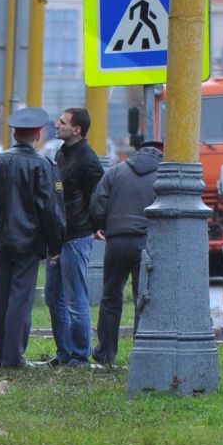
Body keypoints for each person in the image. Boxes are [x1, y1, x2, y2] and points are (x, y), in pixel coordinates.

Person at [0, 108, 66, 370]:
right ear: (37, 134)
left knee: (1, 297)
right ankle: (13, 358)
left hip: (0, 239)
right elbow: (50, 210)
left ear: (14, 133)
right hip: (29, 240)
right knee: (20, 299)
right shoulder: (44, 166)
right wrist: (54, 245)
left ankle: (2, 356)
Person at [87, 139, 163, 366]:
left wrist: (101, 225)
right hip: (147, 243)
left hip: (117, 241)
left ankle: (105, 353)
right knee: (143, 299)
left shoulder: (116, 170)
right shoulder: (164, 174)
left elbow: (97, 202)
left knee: (111, 297)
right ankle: (141, 351)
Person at [45, 107, 104, 368]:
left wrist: (96, 225)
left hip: (76, 235)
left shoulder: (87, 159)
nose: (57, 125)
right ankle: (65, 351)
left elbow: (98, 196)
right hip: (59, 234)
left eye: (62, 122)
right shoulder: (62, 154)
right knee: (53, 296)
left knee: (75, 298)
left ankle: (80, 356)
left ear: (76, 129)